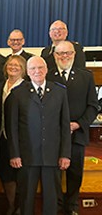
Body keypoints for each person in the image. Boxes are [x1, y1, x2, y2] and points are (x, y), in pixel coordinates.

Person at [5, 56, 71, 215]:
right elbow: (11, 127)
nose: (37, 71)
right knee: (26, 199)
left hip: (52, 156)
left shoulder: (59, 92)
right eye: (33, 68)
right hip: (26, 157)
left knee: (51, 199)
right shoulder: (17, 93)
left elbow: (64, 126)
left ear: (47, 69)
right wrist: (14, 154)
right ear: (27, 72)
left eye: (40, 67)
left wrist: (65, 154)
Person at [47, 41, 98, 215]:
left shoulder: (86, 77)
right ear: (54, 56)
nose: (64, 57)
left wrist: (78, 124)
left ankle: (72, 206)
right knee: (54, 172)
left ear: (74, 54)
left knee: (75, 172)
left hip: (77, 134)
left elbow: (93, 106)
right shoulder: (48, 76)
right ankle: (57, 205)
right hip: (54, 136)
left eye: (67, 53)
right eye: (60, 54)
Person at [0, 55, 27, 215]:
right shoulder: (1, 85)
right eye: (10, 64)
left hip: (20, 138)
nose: (13, 67)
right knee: (6, 174)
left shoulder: (26, 87)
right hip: (2, 136)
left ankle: (22, 207)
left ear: (23, 69)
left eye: (17, 65)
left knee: (20, 174)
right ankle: (11, 205)